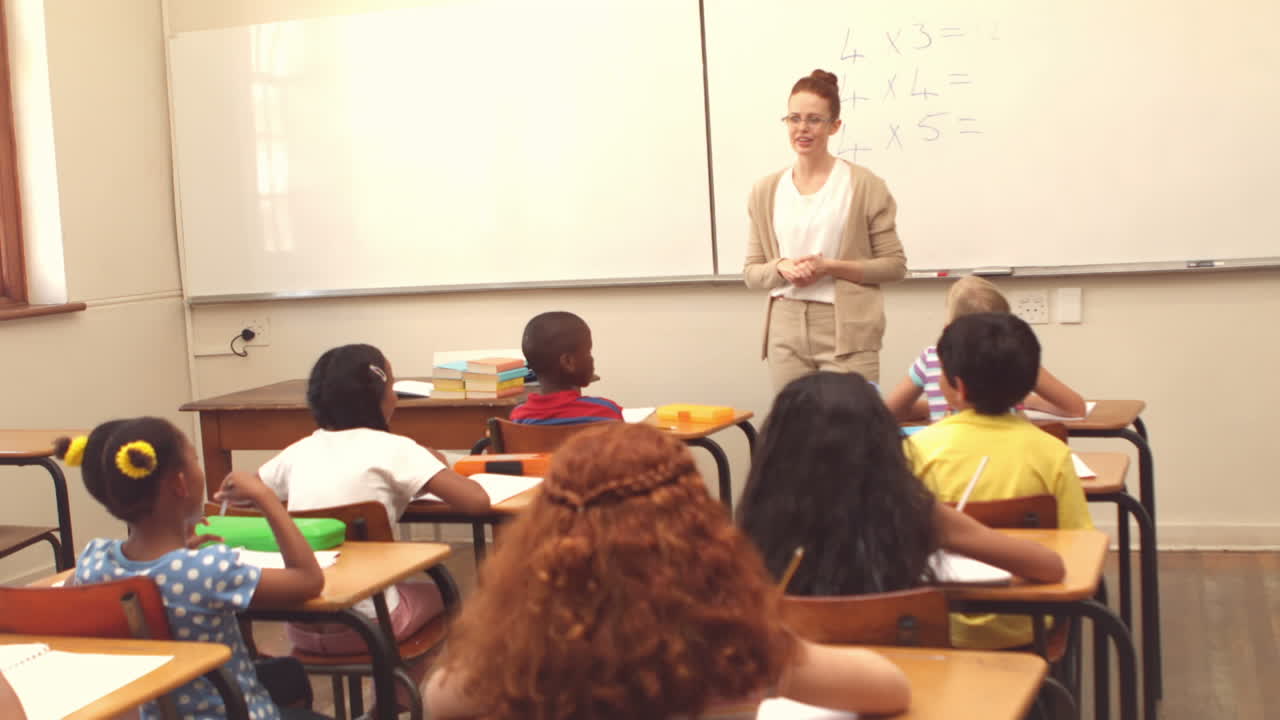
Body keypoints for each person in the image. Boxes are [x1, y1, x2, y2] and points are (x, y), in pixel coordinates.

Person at [424, 424, 910, 720]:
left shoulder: (517, 661)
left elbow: (437, 701)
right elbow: (888, 687)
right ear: (694, 520)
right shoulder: (738, 650)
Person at [55, 418, 327, 720]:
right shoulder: (209, 571)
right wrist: (266, 498)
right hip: (230, 712)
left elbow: (74, 597)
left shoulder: (93, 562)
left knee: (288, 674)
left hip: (153, 712)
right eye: (196, 461)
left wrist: (177, 554)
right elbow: (309, 580)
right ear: (180, 484)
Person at [737, 371, 1064, 598]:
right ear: (882, 442)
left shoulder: (753, 523)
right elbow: (1048, 567)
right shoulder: (915, 514)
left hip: (788, 687)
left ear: (776, 446)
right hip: (906, 682)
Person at [258, 343, 488, 659]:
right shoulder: (398, 449)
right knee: (443, 592)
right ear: (380, 397)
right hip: (372, 624)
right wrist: (432, 465)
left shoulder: (296, 452)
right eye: (391, 386)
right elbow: (476, 502)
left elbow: (249, 495)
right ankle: (398, 698)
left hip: (301, 624)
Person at [908, 313, 1093, 648]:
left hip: (934, 625)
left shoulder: (918, 450)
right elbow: (1081, 547)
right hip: (1028, 623)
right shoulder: (1053, 454)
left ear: (958, 387)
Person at [744, 69, 907, 390]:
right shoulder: (765, 190)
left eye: (814, 120)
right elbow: (752, 272)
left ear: (834, 126)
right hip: (785, 325)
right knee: (797, 432)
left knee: (851, 429)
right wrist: (782, 268)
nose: (802, 128)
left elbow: (894, 266)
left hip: (845, 327)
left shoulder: (864, 185)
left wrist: (829, 267)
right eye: (794, 118)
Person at [885, 275, 1086, 422]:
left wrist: (938, 408)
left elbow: (891, 412)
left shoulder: (930, 358)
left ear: (949, 329)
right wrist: (1030, 402)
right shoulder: (1014, 356)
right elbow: (1076, 409)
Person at [510, 311, 624, 425]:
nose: (591, 358)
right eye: (588, 352)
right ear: (568, 362)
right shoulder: (606, 412)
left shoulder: (519, 418)